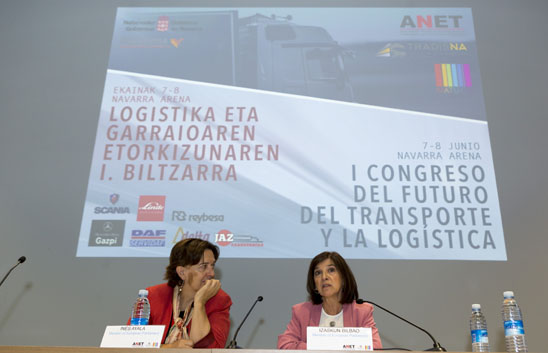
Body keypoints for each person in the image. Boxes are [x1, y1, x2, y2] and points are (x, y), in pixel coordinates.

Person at [129, 238, 232, 348]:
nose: (211, 273)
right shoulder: (154, 296)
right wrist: (171, 348)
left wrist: (200, 303)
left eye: (212, 266)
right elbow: (131, 343)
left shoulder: (219, 300)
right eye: (203, 266)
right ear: (182, 272)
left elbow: (210, 349)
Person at [277, 251, 382, 350]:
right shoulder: (301, 312)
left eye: (331, 270)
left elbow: (376, 348)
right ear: (314, 284)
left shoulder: (362, 312)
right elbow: (284, 345)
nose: (324, 277)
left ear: (344, 278)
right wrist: (320, 347)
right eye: (318, 273)